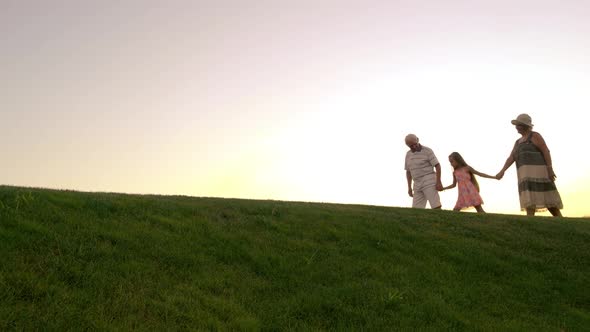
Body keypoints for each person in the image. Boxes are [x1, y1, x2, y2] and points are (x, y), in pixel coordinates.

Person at [496, 113, 563, 217]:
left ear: (525, 126)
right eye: (516, 125)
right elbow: (511, 158)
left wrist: (550, 169)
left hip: (540, 173)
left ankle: (560, 221)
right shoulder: (518, 142)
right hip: (525, 175)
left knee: (549, 201)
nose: (516, 127)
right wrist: (502, 171)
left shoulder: (535, 135)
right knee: (529, 199)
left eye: (519, 125)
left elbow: (546, 151)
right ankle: (530, 220)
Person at [404, 134, 443, 209]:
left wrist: (438, 181)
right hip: (416, 183)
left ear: (418, 140)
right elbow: (408, 172)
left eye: (415, 144)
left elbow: (437, 165)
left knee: (435, 205)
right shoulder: (408, 154)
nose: (414, 147)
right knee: (416, 209)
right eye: (411, 146)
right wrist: (409, 187)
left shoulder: (428, 150)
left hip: (429, 179)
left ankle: (440, 220)